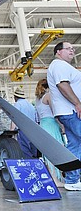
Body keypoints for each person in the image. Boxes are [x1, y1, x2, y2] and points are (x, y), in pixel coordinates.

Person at [47, 41, 81, 191]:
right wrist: (78, 103)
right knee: (75, 145)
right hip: (72, 111)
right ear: (58, 52)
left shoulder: (62, 66)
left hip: (68, 112)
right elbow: (62, 85)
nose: (72, 51)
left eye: (73, 49)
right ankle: (73, 179)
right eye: (68, 49)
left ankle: (73, 180)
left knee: (74, 146)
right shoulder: (59, 65)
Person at [35, 78, 65, 187]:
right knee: (57, 151)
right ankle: (56, 179)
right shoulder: (48, 96)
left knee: (48, 154)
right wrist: (62, 126)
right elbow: (55, 112)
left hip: (43, 125)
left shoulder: (37, 99)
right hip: (51, 124)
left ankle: (54, 178)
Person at [11, 86, 38, 159]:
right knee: (33, 148)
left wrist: (11, 131)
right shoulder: (31, 106)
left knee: (24, 149)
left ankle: (29, 164)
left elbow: (14, 117)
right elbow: (36, 119)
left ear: (15, 96)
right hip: (33, 129)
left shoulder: (18, 104)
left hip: (23, 130)